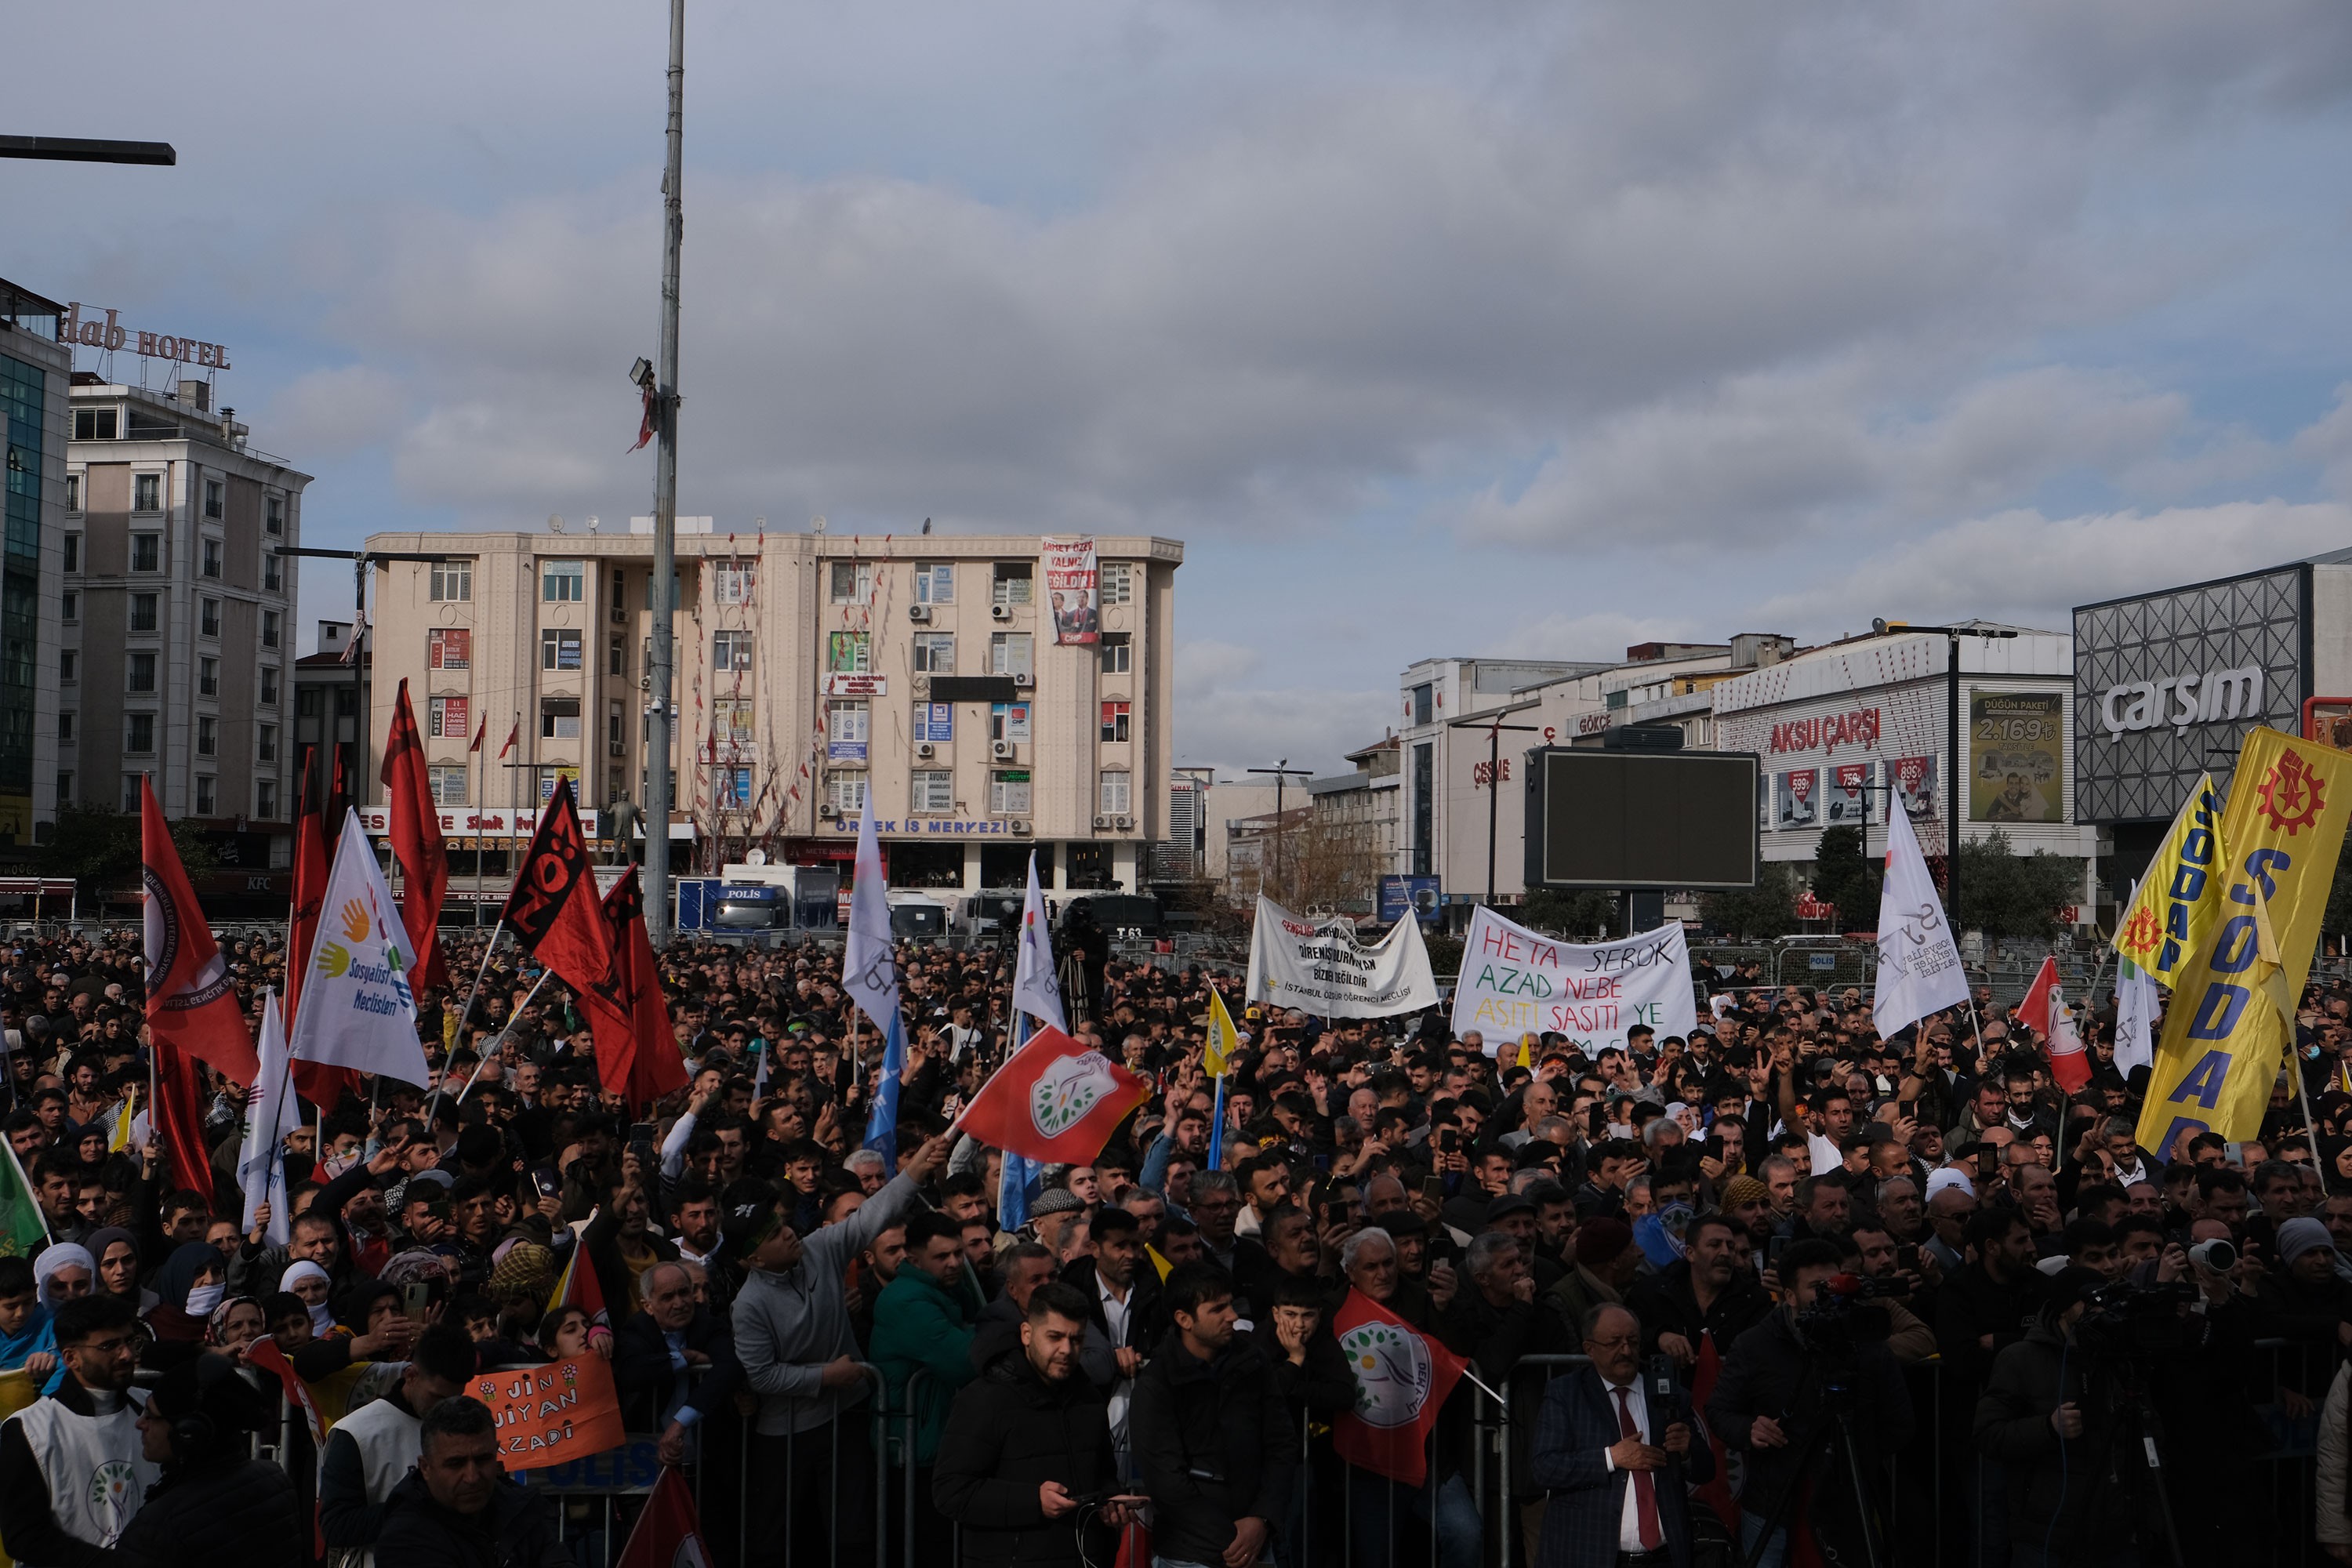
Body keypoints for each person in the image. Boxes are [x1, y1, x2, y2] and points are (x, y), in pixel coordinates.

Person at [730, 1133, 949, 1568]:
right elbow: (763, 1376)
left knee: (853, 1534)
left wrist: (914, 1173)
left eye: (782, 1224)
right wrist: (826, 1377)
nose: (788, 1233)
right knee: (778, 1540)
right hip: (785, 1436)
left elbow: (870, 1218)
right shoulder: (748, 1306)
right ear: (752, 1260)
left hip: (845, 1419)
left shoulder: (819, 1249)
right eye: (772, 1236)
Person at [1707, 1238, 1912, 1568]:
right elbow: (1719, 1410)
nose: (1830, 1296)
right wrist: (1750, 1429)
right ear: (1788, 1296)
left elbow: (1899, 1423)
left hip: (1850, 1502)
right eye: (1818, 1288)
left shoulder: (1866, 1342)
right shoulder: (1755, 1345)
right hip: (1774, 1502)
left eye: (1834, 1285)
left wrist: (1856, 1449)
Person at [935, 1279, 1132, 1568]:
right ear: (1027, 1334)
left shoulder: (1088, 1397)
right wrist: (1033, 1501)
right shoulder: (985, 1399)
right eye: (1055, 1337)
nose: (1067, 1349)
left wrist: (1110, 1502)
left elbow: (1101, 1472)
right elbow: (951, 1491)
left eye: (1076, 1339)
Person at [1973, 1266, 2145, 1567]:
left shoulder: (2119, 1358)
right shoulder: (2020, 1358)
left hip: (2116, 1530)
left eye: (2104, 1302)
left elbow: (2147, 1432)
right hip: (2047, 1532)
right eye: (2090, 1303)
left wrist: (2148, 1517)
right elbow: (1989, 1434)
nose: (2099, 1311)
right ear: (2064, 1308)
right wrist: (2047, 1428)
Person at [1129, 1262, 1294, 1568]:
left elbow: (1281, 1444)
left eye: (1230, 1304)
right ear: (1184, 1319)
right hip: (1190, 1554)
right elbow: (1165, 1480)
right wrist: (1233, 1539)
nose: (1232, 1316)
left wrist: (1262, 1520)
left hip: (1258, 1543)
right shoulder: (1158, 1383)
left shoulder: (1252, 1360)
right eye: (1218, 1309)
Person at [1529, 1302, 1715, 1568]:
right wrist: (1611, 1457)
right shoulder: (1566, 1394)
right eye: (1614, 1342)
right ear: (1589, 1349)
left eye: (1633, 1341)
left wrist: (1688, 1451)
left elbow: (1706, 1470)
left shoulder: (1669, 1395)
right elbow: (1544, 1468)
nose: (1626, 1351)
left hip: (1664, 1556)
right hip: (1588, 1553)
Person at [0, 1294, 156, 1566]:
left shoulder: (153, 1409)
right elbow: (24, 1536)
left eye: (130, 1341)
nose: (127, 1354)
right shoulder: (29, 1431)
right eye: (110, 1345)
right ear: (72, 1358)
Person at [111, 1352, 303, 1568]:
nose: (140, 1424)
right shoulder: (276, 1480)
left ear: (189, 1432)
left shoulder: (155, 1530)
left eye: (150, 1414)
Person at [318, 1323, 480, 1568]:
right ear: (411, 1376)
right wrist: (422, 1509)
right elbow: (337, 1526)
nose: (445, 1408)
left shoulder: (463, 1424)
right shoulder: (355, 1432)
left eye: (454, 1398)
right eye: (437, 1397)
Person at [376, 1396, 574, 1568]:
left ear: (496, 1452)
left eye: (483, 1459)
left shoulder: (517, 1508)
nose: (472, 1477)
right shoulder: (405, 1539)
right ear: (425, 1467)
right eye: (456, 1464)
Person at [613, 1260, 743, 1468]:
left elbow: (731, 1366)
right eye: (667, 1297)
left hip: (709, 1456)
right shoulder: (637, 1329)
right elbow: (631, 1371)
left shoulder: (707, 1323)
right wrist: (684, 1358)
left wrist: (681, 1422)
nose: (680, 1303)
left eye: (684, 1292)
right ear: (648, 1306)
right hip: (649, 1459)